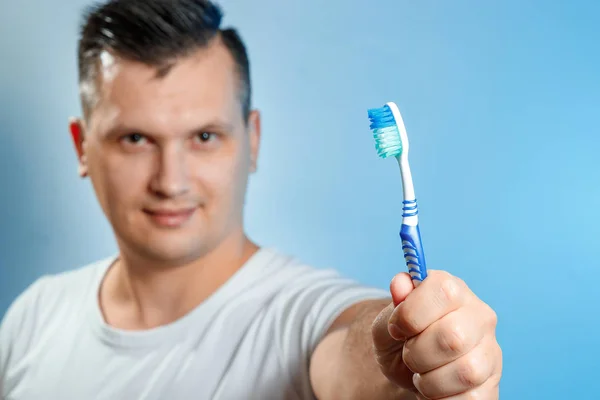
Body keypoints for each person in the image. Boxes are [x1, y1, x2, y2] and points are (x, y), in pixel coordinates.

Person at [0, 1, 502, 399]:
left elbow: (353, 353)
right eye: (135, 139)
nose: (170, 181)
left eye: (204, 137)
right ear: (80, 146)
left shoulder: (300, 317)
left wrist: (410, 369)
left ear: (252, 140)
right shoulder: (34, 316)